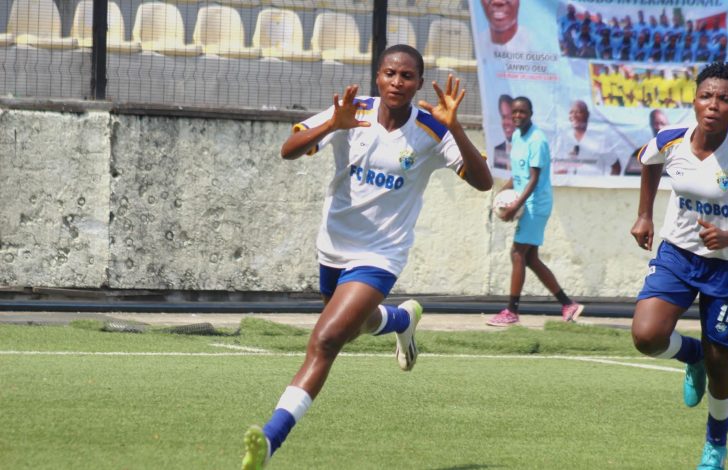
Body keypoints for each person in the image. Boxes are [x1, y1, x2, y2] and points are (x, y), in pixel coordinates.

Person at [241, 44, 493, 469]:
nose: (397, 82)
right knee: (354, 328)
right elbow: (288, 150)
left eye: (407, 76)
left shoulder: (432, 129)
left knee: (326, 340)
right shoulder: (351, 112)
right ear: (378, 76)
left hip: (381, 255)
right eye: (390, 73)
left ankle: (269, 440)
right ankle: (399, 320)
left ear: (418, 82)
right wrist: (330, 126)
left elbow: (483, 182)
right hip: (334, 247)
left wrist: (457, 129)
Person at [629, 61, 728, 470]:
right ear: (694, 100)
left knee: (721, 364)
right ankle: (691, 354)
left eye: (724, 100)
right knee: (646, 336)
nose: (713, 105)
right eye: (706, 96)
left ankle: (716, 444)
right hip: (677, 254)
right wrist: (644, 215)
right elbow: (649, 161)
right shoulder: (671, 139)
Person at [486, 96, 584, 326]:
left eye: (522, 112)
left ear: (531, 114)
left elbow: (533, 179)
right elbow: (518, 175)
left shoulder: (537, 140)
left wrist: (515, 206)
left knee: (517, 253)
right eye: (514, 112)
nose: (517, 115)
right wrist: (501, 195)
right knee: (530, 258)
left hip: (536, 205)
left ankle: (512, 311)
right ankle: (568, 304)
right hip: (525, 203)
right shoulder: (517, 136)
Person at [624, 109, 669, 176]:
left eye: (662, 124)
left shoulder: (677, 152)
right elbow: (629, 176)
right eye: (656, 123)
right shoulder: (639, 153)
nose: (659, 127)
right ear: (651, 125)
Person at [493, 94, 514, 170]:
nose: (507, 122)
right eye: (504, 117)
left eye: (510, 117)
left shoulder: (529, 149)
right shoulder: (498, 150)